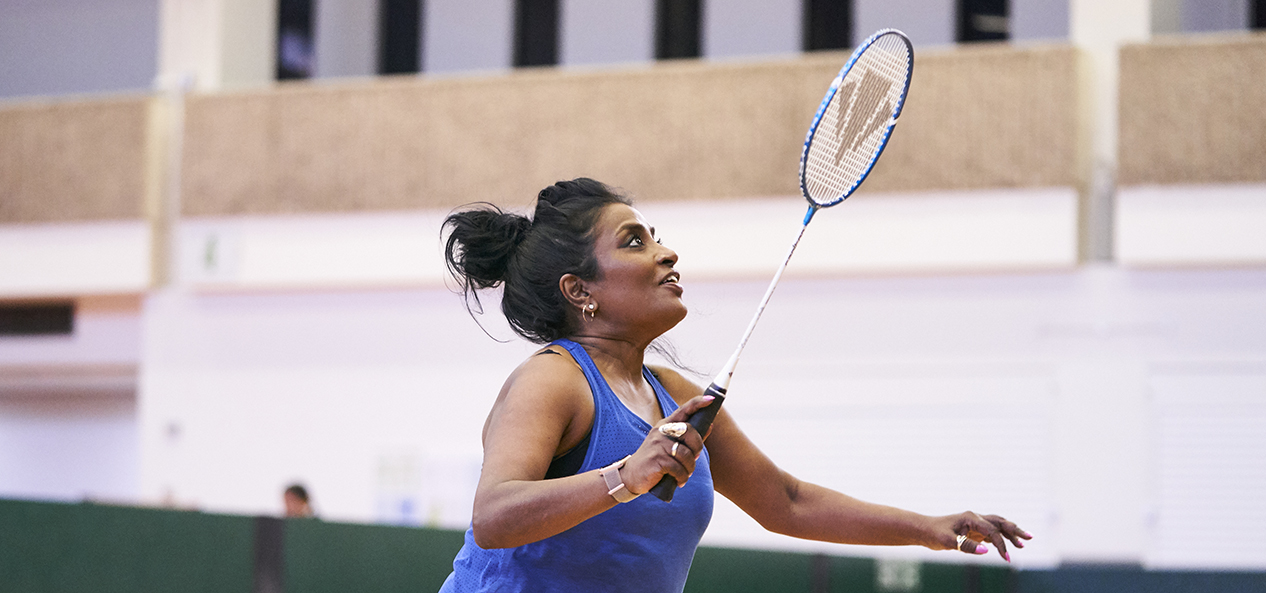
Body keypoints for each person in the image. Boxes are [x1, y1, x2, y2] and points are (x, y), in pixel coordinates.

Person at [438, 178, 1030, 593]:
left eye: (655, 235)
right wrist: (625, 476)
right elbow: (494, 516)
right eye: (635, 241)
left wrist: (930, 529)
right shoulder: (553, 381)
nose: (667, 252)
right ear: (579, 291)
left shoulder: (671, 391)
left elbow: (786, 502)